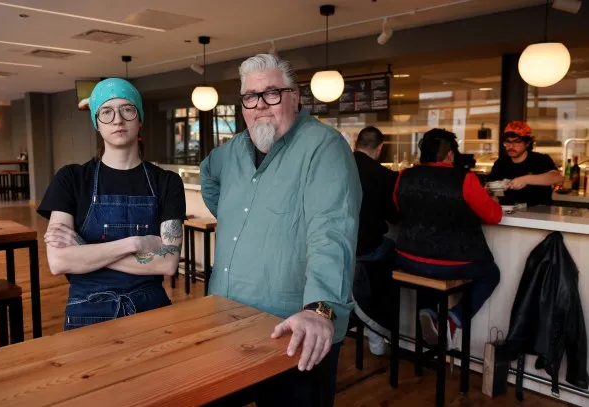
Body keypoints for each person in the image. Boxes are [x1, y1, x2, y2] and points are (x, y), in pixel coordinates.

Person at [200, 54, 361, 406]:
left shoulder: (324, 147)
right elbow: (207, 176)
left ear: (295, 96)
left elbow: (331, 230)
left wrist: (320, 309)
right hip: (225, 317)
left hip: (291, 329)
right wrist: (238, 218)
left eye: (272, 93)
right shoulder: (233, 150)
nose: (261, 105)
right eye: (250, 97)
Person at [37, 78, 186, 331]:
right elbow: (60, 262)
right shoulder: (71, 178)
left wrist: (84, 251)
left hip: (151, 310)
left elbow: (168, 263)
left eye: (127, 109)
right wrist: (135, 243)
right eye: (106, 111)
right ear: (97, 123)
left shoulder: (167, 182)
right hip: (87, 311)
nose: (117, 119)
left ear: (139, 118)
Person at [394, 129, 502, 348]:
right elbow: (494, 216)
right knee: (491, 274)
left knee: (424, 266)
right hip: (453, 263)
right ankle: (452, 320)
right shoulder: (465, 179)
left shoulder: (404, 176)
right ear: (450, 154)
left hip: (407, 258)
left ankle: (427, 311)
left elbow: (398, 209)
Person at [352, 126, 398, 356]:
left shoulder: (338, 167)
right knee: (393, 252)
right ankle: (378, 330)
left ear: (355, 143)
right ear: (380, 148)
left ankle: (359, 308)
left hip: (338, 248)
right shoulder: (383, 175)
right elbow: (394, 216)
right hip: (368, 249)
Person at [490, 121, 563, 206]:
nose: (511, 146)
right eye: (508, 142)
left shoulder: (541, 159)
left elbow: (557, 178)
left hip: (540, 213)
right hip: (511, 212)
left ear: (527, 143)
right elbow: (491, 188)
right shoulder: (501, 163)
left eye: (516, 142)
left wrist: (525, 179)